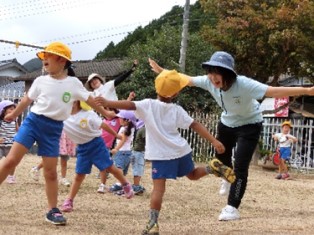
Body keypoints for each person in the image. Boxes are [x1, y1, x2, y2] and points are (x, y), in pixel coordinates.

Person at [148, 51, 314, 221]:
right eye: (210, 72)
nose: (213, 78)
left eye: (217, 72)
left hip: (250, 125)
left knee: (241, 166)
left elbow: (273, 91)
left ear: (227, 72)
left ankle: (232, 207)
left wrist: (308, 90)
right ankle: (226, 178)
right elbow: (184, 79)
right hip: (227, 124)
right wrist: (163, 72)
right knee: (221, 158)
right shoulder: (208, 81)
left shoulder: (243, 84)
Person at [95, 69, 236, 234]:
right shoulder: (176, 110)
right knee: (192, 174)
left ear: (156, 89)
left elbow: (129, 105)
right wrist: (214, 140)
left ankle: (153, 224)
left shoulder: (148, 104)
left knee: (158, 190)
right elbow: (195, 125)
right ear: (175, 93)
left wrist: (108, 102)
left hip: (161, 156)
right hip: (181, 150)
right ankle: (212, 168)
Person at [0, 41, 110, 225]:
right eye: (43, 58)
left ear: (60, 60)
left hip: (53, 129)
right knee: (11, 161)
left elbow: (89, 100)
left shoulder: (74, 83)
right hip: (33, 122)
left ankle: (52, 209)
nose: (43, 60)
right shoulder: (40, 81)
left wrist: (106, 113)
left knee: (51, 172)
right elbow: (27, 99)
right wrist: (14, 114)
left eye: (47, 57)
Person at [60, 101, 133, 213]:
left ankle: (125, 184)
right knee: (79, 175)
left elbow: (103, 125)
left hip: (96, 144)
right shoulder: (64, 116)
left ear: (77, 102)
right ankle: (69, 200)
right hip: (82, 148)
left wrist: (116, 135)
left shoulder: (88, 113)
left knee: (110, 167)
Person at [109, 110, 136, 195]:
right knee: (123, 169)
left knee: (119, 168)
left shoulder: (125, 129)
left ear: (127, 120)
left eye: (120, 118)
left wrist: (116, 149)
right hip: (127, 151)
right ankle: (122, 184)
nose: (119, 120)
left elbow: (123, 140)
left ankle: (120, 184)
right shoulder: (130, 128)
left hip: (122, 151)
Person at [0, 100, 19, 184]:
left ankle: (11, 176)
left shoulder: (15, 121)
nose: (12, 111)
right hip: (1, 145)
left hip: (11, 145)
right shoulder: (1, 122)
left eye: (14, 109)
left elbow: (18, 130)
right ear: (3, 110)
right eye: (10, 109)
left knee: (12, 162)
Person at [130, 119, 146, 195]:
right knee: (138, 169)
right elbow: (147, 140)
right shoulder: (144, 129)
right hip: (138, 152)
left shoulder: (142, 128)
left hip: (138, 152)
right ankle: (136, 186)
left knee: (139, 169)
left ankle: (136, 185)